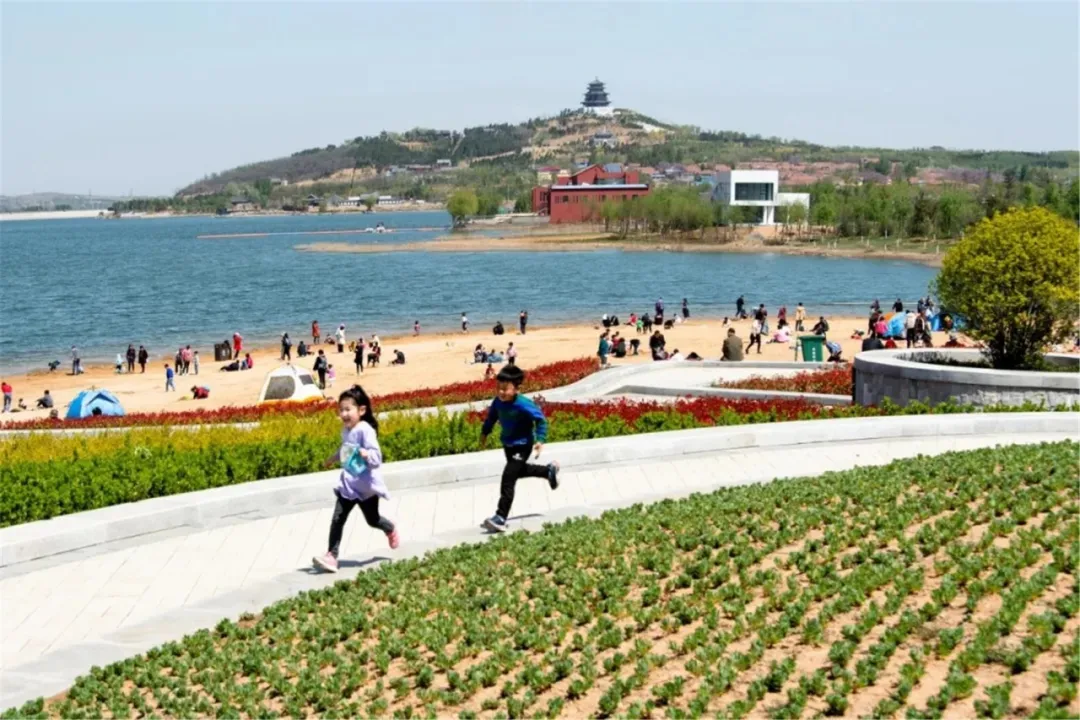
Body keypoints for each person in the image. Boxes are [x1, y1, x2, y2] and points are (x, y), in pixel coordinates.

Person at [312, 385, 399, 573]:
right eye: (341, 410)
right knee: (338, 518)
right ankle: (331, 556)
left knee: (372, 520)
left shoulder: (365, 430)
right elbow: (345, 449)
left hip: (366, 487)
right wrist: (332, 459)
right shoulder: (346, 430)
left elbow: (377, 458)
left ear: (361, 410)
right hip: (348, 486)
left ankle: (389, 528)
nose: (344, 414)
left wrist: (366, 453)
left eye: (347, 409)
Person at [479, 365, 560, 533]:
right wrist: (485, 433)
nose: (501, 392)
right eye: (498, 388)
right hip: (508, 445)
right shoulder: (497, 402)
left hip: (523, 445)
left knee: (508, 477)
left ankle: (500, 517)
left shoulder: (523, 404)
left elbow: (540, 420)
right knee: (519, 471)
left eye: (505, 389)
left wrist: (540, 440)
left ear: (516, 389)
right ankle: (548, 471)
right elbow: (491, 417)